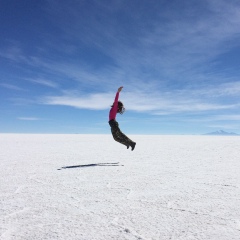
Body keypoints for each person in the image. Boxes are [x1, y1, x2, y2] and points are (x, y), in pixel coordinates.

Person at [109, 86, 136, 151]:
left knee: (120, 134)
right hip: (111, 123)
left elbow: (116, 99)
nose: (114, 103)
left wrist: (118, 92)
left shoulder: (115, 107)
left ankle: (132, 143)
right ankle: (127, 143)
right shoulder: (113, 108)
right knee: (115, 138)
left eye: (116, 103)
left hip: (113, 123)